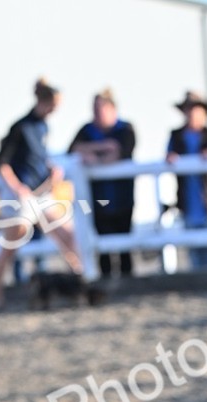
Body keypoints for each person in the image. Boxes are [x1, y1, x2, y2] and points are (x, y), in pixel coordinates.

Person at [0, 78, 82, 311]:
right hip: (22, 196)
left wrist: (51, 169)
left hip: (42, 194)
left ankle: (79, 282)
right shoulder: (21, 127)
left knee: (67, 235)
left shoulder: (43, 127)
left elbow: (36, 157)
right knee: (12, 243)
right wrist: (18, 188)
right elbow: (3, 163)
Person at [69, 89, 136, 279]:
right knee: (101, 247)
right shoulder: (87, 130)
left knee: (125, 245)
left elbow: (119, 152)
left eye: (101, 109)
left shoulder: (125, 129)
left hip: (122, 198)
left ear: (112, 109)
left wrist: (93, 156)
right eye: (95, 109)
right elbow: (73, 149)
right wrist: (103, 147)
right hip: (97, 200)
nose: (97, 114)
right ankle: (105, 284)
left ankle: (127, 282)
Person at [166, 91, 207, 271]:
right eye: (188, 109)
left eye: (195, 109)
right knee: (194, 255)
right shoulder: (176, 136)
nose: (191, 113)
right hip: (188, 203)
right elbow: (168, 158)